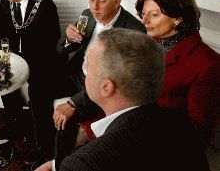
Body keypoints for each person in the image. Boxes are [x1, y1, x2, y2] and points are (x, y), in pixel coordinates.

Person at [35, 28, 210, 171]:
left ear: (106, 87)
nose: (85, 69)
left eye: (88, 65)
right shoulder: (180, 122)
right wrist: (58, 166)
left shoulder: (84, 163)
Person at [136, 0, 220, 146]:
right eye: (143, 14)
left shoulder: (208, 64)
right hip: (127, 124)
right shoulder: (146, 43)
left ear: (178, 19)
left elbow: (197, 130)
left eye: (153, 14)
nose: (144, 20)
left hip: (160, 142)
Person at [0, 0, 61, 165]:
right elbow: (4, 30)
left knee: (39, 93)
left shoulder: (45, 4)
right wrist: (9, 56)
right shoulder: (5, 0)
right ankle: (16, 123)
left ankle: (44, 148)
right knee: (1, 80)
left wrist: (28, 63)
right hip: (15, 55)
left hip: (41, 59)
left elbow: (53, 38)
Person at [56, 0, 145, 99]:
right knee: (38, 87)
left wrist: (75, 103)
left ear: (117, 1)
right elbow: (68, 47)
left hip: (102, 85)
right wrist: (70, 39)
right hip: (76, 73)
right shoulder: (87, 15)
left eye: (102, 1)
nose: (94, 7)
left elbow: (121, 79)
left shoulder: (134, 31)